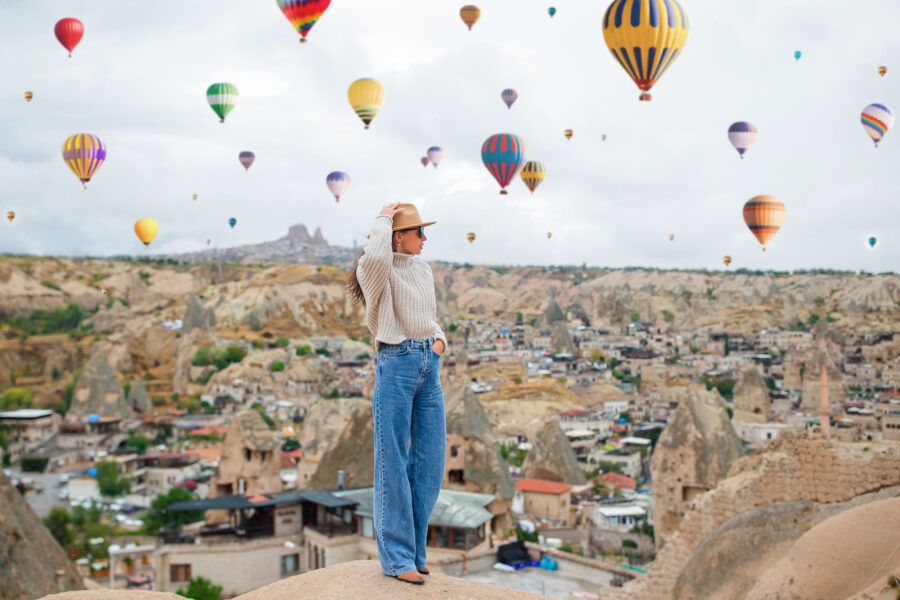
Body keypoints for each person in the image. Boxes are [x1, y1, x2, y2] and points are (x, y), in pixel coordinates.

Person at [347, 202, 448, 585]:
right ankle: (396, 557)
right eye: (418, 232)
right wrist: (382, 219)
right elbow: (374, 259)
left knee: (429, 463)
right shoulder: (376, 270)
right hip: (397, 364)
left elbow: (429, 317)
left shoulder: (422, 269)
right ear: (398, 237)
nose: (425, 238)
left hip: (427, 364)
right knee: (392, 461)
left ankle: (417, 552)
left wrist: (438, 341)